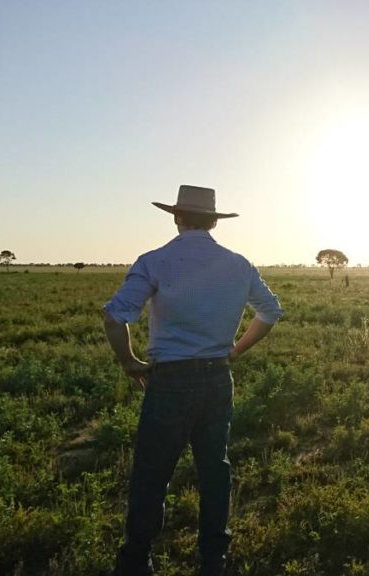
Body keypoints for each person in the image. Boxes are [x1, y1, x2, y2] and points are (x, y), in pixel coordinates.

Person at [103, 185, 283, 576]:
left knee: (152, 471)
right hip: (218, 379)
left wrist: (131, 363)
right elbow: (270, 311)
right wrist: (236, 350)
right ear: (215, 222)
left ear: (176, 217)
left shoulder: (155, 261)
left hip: (168, 381)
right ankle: (213, 561)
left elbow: (116, 317)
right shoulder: (238, 264)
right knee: (215, 469)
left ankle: (136, 559)